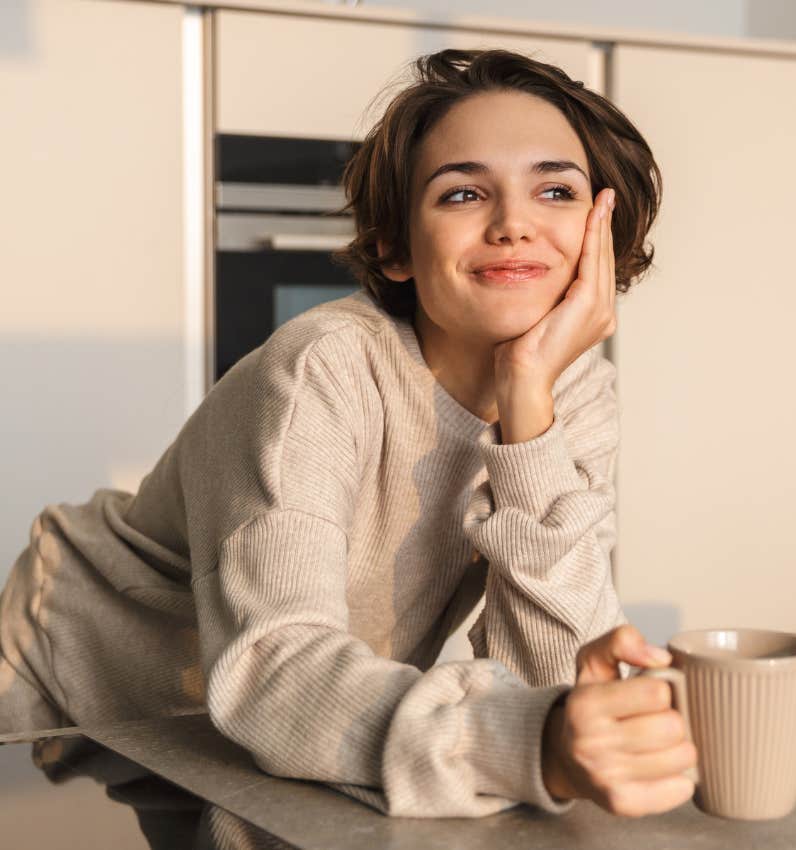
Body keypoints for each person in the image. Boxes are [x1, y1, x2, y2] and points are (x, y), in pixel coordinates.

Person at [0, 48, 696, 818]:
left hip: (267, 731)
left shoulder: (576, 392)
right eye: (464, 193)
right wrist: (527, 741)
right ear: (395, 247)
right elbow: (274, 667)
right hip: (79, 688)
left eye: (555, 190)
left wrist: (527, 400)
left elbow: (558, 680)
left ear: (604, 227)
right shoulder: (322, 369)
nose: (512, 225)